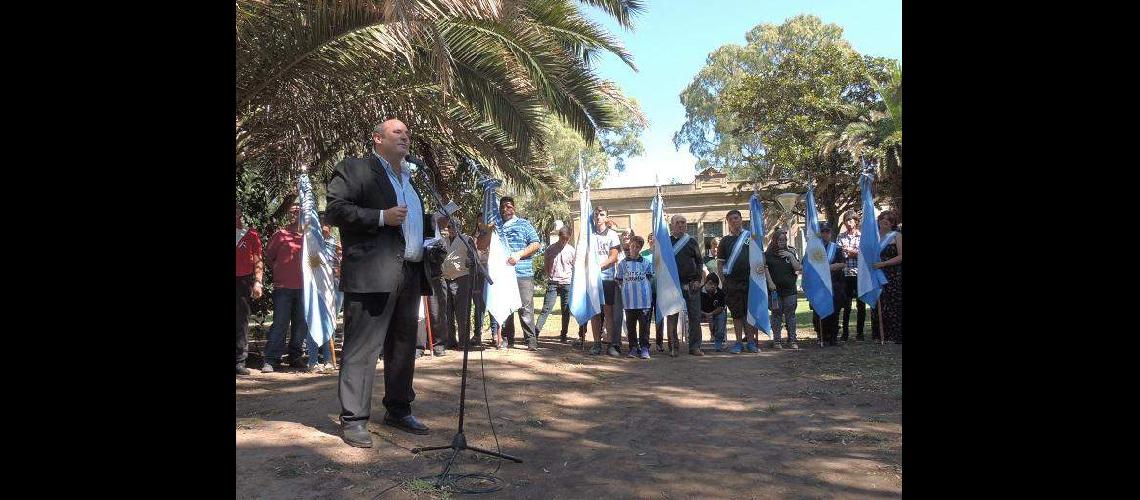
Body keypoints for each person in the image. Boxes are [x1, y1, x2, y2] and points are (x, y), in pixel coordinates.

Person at [325, 118, 436, 447]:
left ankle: (399, 409)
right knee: (363, 348)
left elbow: (411, 224)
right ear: (377, 138)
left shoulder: (411, 179)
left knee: (404, 346)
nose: (405, 135)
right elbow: (335, 210)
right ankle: (355, 419)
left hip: (411, 273)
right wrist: (379, 217)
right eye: (397, 132)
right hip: (372, 273)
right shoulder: (355, 169)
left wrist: (434, 223)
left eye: (407, 132)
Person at [484, 196, 543, 350]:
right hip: (503, 274)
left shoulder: (524, 224)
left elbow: (536, 243)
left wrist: (519, 254)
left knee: (525, 308)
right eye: (502, 207)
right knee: (506, 307)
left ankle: (531, 340)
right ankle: (507, 339)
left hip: (522, 272)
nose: (505, 209)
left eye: (509, 206)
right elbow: (484, 244)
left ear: (514, 208)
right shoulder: (496, 227)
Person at [262, 202, 308, 372]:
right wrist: (279, 270)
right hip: (283, 287)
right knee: (280, 323)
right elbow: (268, 257)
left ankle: (295, 357)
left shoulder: (309, 237)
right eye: (292, 211)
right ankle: (271, 359)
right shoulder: (280, 235)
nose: (294, 213)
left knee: (301, 324)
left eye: (298, 211)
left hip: (305, 288)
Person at [718, 210, 761, 354]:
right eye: (730, 219)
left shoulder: (749, 237)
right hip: (732, 283)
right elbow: (720, 264)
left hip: (749, 281)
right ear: (728, 222)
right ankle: (737, 343)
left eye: (736, 218)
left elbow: (758, 256)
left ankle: (750, 342)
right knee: (736, 314)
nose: (734, 221)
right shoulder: (724, 241)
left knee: (749, 313)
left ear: (741, 219)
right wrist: (724, 282)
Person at [535, 226, 587, 343]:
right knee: (546, 309)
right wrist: (550, 276)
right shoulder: (550, 249)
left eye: (567, 239)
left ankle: (563, 334)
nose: (564, 241)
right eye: (563, 238)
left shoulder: (572, 251)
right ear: (559, 236)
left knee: (565, 310)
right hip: (553, 283)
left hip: (567, 283)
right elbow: (546, 265)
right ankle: (535, 333)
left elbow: (575, 267)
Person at [437, 209, 476, 350]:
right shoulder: (443, 241)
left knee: (462, 311)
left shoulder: (467, 239)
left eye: (454, 226)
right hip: (445, 279)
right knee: (447, 311)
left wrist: (470, 262)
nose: (452, 229)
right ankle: (450, 340)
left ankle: (464, 342)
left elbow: (474, 258)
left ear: (459, 227)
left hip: (462, 279)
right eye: (449, 226)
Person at [667, 215, 704, 357]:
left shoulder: (692, 242)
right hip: (672, 285)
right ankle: (673, 347)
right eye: (678, 223)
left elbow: (699, 262)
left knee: (695, 316)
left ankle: (694, 347)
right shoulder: (667, 242)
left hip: (691, 284)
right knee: (672, 316)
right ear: (672, 225)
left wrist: (697, 280)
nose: (681, 225)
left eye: (683, 223)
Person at [588, 206, 622, 356]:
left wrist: (598, 266)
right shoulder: (588, 234)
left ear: (606, 217)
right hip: (592, 279)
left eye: (602, 214)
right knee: (595, 312)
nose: (598, 217)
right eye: (596, 214)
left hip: (607, 277)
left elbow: (613, 257)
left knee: (609, 312)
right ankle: (596, 344)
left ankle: (611, 344)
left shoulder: (613, 235)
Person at [615, 236, 654, 359]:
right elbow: (619, 280)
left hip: (644, 300)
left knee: (644, 326)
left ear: (641, 248)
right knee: (630, 326)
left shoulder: (646, 263)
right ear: (629, 246)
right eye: (633, 246)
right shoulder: (622, 264)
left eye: (637, 247)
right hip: (629, 300)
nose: (635, 249)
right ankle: (632, 347)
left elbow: (649, 278)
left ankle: (644, 348)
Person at [811, 222, 849, 346]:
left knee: (834, 311)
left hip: (835, 284)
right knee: (819, 311)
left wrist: (826, 267)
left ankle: (833, 336)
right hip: (819, 286)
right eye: (822, 232)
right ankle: (821, 335)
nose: (825, 234)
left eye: (827, 231)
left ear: (830, 233)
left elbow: (843, 264)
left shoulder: (836, 248)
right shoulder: (813, 249)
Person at [236, 205, 264, 376]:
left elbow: (258, 260)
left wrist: (258, 282)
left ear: (240, 213)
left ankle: (239, 361)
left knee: (241, 321)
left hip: (243, 280)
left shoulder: (250, 233)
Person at [766, 229, 803, 349]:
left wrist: (791, 256)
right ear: (775, 240)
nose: (782, 242)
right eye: (780, 240)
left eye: (784, 240)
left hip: (790, 290)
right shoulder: (768, 254)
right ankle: (777, 340)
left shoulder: (791, 251)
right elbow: (765, 269)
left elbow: (798, 268)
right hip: (775, 291)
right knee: (776, 315)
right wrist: (770, 283)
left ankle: (792, 340)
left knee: (790, 315)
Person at [870, 210, 903, 344]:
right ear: (878, 220)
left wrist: (884, 263)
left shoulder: (897, 236)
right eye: (883, 218)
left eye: (889, 219)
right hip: (876, 275)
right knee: (879, 303)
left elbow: (901, 256)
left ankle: (894, 336)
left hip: (893, 275)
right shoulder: (873, 238)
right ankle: (880, 335)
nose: (885, 220)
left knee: (893, 304)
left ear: (892, 223)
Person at [837, 211, 866, 341]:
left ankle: (860, 333)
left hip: (860, 274)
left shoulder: (862, 237)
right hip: (846, 274)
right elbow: (840, 254)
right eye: (846, 221)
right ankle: (845, 333)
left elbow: (864, 254)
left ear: (856, 221)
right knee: (846, 305)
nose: (849, 223)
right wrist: (853, 253)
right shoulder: (840, 236)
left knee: (861, 305)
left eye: (851, 220)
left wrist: (849, 251)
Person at [700, 273, 727, 352]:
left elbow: (721, 308)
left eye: (715, 284)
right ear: (706, 283)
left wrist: (711, 314)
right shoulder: (699, 292)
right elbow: (695, 308)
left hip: (715, 313)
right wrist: (705, 314)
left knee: (722, 316)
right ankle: (695, 342)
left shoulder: (720, 293)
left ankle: (718, 341)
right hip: (701, 313)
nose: (712, 286)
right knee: (693, 316)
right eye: (710, 284)